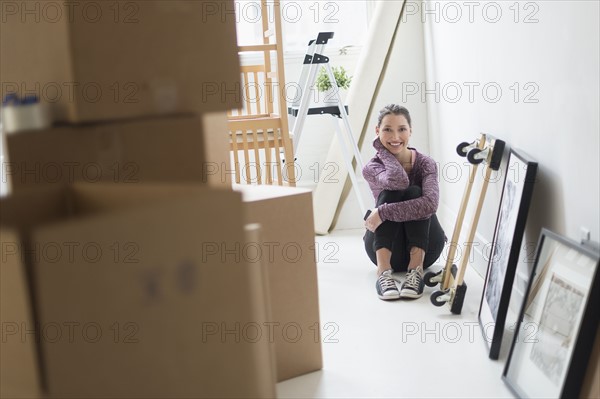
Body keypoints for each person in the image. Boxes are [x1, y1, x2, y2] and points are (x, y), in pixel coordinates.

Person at [363, 104, 445, 300]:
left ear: (410, 131)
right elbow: (397, 181)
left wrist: (381, 213)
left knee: (415, 192)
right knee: (392, 192)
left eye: (402, 129)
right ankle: (383, 273)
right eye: (387, 130)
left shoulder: (426, 163)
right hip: (384, 247)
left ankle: (415, 272)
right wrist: (382, 151)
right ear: (377, 132)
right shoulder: (372, 167)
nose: (395, 137)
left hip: (426, 248)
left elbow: (430, 205)